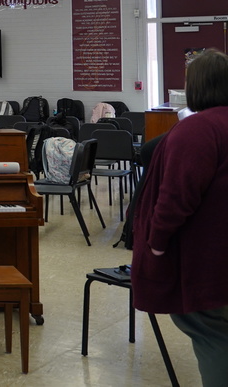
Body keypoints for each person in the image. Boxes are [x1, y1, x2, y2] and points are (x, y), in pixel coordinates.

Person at [132, 49, 228, 386]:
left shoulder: (197, 129)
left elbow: (176, 197)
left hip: (208, 261)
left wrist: (156, 244)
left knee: (210, 332)